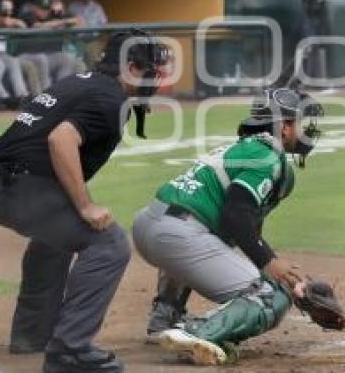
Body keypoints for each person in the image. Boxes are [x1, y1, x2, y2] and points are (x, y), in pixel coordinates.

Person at [0, 29, 168, 372]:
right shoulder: (109, 97)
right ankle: (70, 349)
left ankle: (31, 336)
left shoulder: (83, 82)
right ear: (134, 68)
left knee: (56, 239)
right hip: (21, 187)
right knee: (109, 245)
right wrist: (84, 205)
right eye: (152, 70)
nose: (155, 79)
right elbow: (60, 139)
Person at [133, 88, 324, 365]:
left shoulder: (245, 149)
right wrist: (271, 264)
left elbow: (243, 229)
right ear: (284, 127)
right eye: (300, 123)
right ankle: (196, 332)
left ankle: (165, 317)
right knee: (270, 296)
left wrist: (286, 276)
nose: (306, 130)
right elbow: (236, 217)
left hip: (149, 224)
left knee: (205, 238)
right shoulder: (269, 158)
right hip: (178, 235)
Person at [17, 0, 79, 89]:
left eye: (46, 9)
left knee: (67, 58)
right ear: (34, 7)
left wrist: (61, 11)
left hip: (47, 55)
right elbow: (38, 27)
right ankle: (46, 93)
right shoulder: (27, 15)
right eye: (41, 8)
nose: (44, 11)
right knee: (41, 58)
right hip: (26, 55)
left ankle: (61, 91)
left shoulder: (53, 15)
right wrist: (63, 22)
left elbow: (77, 21)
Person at [301, 0, 340, 79]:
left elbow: (336, 1)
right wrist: (312, 7)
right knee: (310, 45)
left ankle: (329, 75)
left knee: (327, 46)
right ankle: (310, 76)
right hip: (312, 17)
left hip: (327, 19)